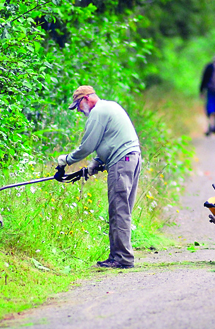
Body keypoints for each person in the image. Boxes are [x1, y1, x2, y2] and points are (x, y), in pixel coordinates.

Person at [56, 86, 141, 269]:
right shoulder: (109, 107)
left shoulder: (98, 112)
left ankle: (122, 259)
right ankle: (118, 256)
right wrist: (96, 163)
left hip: (122, 161)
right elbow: (109, 141)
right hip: (130, 158)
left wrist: (66, 160)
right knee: (121, 209)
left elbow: (87, 145)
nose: (79, 110)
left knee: (119, 210)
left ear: (86, 99)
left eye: (78, 105)